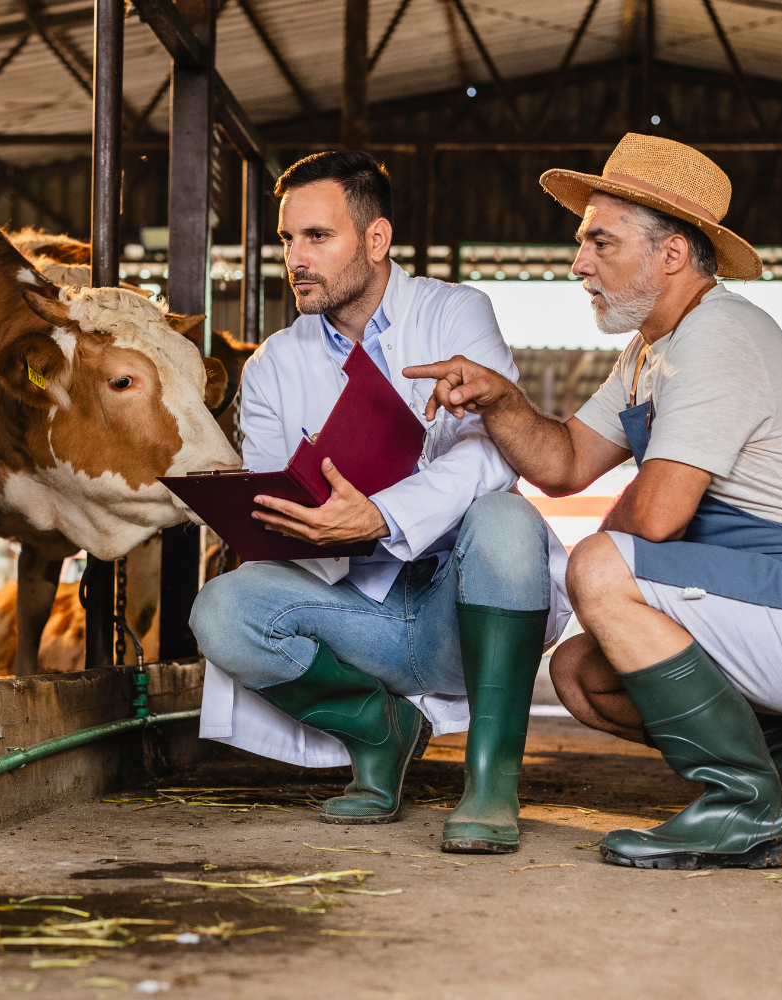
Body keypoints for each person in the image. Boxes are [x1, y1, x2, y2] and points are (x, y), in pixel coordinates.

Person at [404, 134, 782, 871]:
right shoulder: (650, 351)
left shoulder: (718, 338)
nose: (579, 262)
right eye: (581, 242)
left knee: (602, 567)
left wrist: (575, 579)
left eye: (600, 241)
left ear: (672, 255)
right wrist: (499, 400)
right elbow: (564, 461)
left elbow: (654, 521)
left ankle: (746, 803)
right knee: (583, 676)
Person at [189, 151, 570, 854]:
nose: (295, 259)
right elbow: (279, 498)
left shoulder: (455, 313)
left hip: (462, 612)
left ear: (374, 240)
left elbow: (492, 453)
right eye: (287, 239)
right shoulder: (273, 363)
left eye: (317, 237)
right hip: (355, 614)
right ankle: (379, 730)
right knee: (221, 608)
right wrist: (257, 506)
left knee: (507, 517)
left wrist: (384, 514)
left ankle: (490, 781)